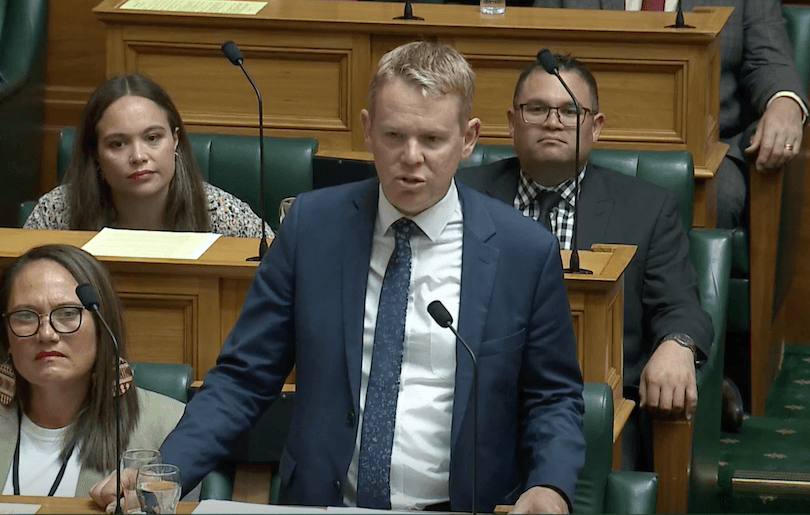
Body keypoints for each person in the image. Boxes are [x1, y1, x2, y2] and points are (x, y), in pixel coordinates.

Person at [91, 41, 586, 514]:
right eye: (394, 135)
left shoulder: (523, 251)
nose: (411, 157)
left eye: (432, 139)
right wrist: (169, 470)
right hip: (325, 505)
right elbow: (245, 377)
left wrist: (550, 485)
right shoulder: (312, 227)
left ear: (468, 139)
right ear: (368, 130)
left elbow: (553, 397)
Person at [456, 54, 714, 470]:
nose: (553, 122)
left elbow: (680, 306)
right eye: (537, 109)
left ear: (594, 127)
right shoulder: (460, 197)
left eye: (570, 111)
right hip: (473, 401)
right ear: (511, 122)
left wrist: (677, 345)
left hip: (592, 408)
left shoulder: (646, 209)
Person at [526, 0, 809, 230]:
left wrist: (785, 103)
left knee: (723, 197)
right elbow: (532, 50)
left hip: (701, 151)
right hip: (583, 141)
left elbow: (769, 58)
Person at [0, 244, 186, 497]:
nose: (46, 334)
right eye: (25, 316)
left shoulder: (167, 427)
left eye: (67, 313)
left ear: (102, 326)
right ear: (6, 338)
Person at [23, 73, 271, 238]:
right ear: (95, 153)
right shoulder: (56, 213)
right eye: (118, 144)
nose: (138, 156)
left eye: (152, 138)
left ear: (175, 140)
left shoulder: (221, 213)